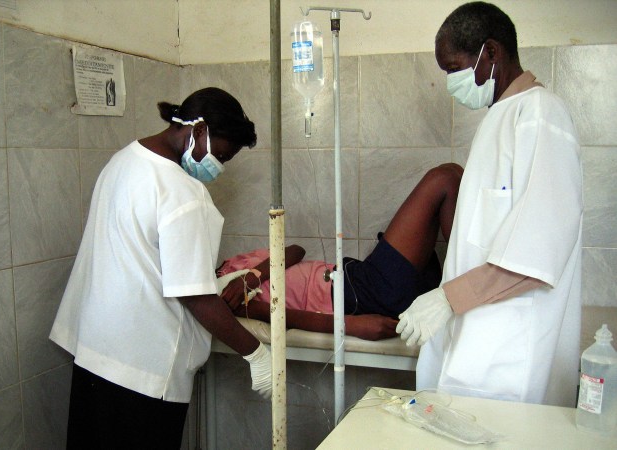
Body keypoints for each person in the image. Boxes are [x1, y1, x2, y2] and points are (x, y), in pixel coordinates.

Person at [49, 87, 272, 449]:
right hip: (143, 373)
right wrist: (256, 353)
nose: (219, 166)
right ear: (198, 130)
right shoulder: (182, 191)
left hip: (94, 353)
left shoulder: (123, 160)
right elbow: (196, 296)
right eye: (222, 155)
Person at [396, 2, 583, 407]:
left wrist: (448, 297)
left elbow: (539, 252)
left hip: (510, 361)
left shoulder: (539, 115)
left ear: (492, 53)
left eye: (454, 69)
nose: (450, 83)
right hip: (477, 347)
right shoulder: (499, 118)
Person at [216, 163, 464, 341]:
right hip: (355, 297)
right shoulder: (223, 296)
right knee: (444, 178)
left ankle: (466, 285)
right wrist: (351, 326)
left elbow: (295, 251)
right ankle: (467, 284)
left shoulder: (231, 267)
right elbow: (284, 316)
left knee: (450, 176)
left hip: (353, 278)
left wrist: (251, 277)